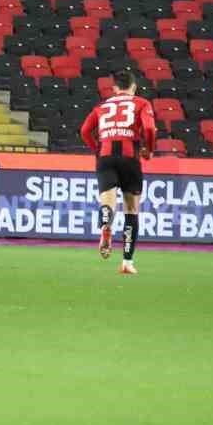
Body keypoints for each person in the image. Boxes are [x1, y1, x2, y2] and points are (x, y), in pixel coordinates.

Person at [80, 68, 156, 276]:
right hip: (129, 157)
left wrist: (96, 148)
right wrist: (149, 150)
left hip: (105, 157)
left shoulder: (101, 106)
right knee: (131, 210)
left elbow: (85, 131)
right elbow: (149, 129)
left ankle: (106, 225)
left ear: (114, 88)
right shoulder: (141, 103)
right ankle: (127, 263)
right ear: (134, 87)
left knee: (107, 201)